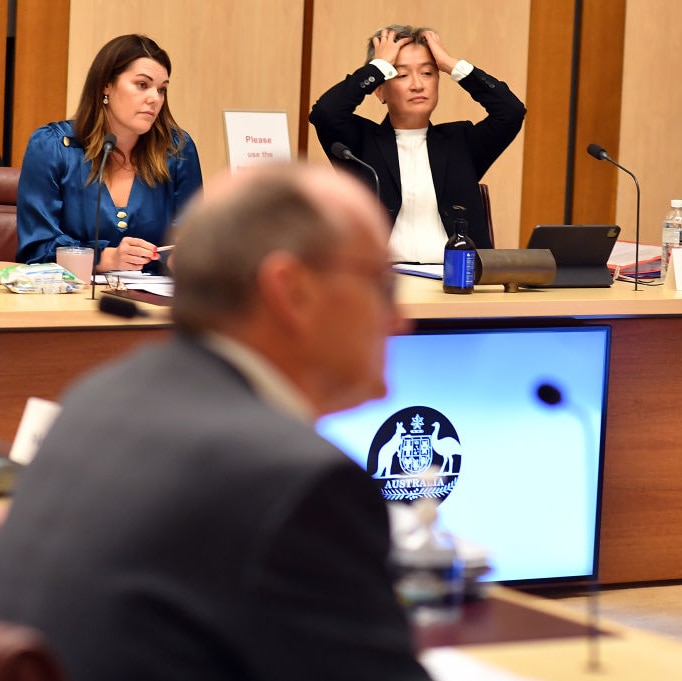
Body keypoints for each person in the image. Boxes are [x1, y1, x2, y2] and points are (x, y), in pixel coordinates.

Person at [0, 162, 433, 681]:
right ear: (291, 291)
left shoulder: (101, 397)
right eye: (380, 285)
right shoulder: (299, 483)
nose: (400, 320)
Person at [310, 24, 526, 263]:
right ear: (380, 90)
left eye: (427, 73)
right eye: (401, 75)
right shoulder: (360, 144)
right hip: (384, 286)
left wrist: (451, 65)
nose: (417, 85)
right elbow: (325, 113)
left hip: (455, 284)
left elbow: (511, 112)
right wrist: (378, 67)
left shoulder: (461, 143)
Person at [16, 34, 202, 271]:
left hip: (151, 302)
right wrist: (106, 259)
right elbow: (37, 249)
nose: (154, 99)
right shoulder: (53, 146)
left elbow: (192, 241)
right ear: (107, 84)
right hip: (68, 301)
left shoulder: (177, 150)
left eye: (162, 90)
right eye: (142, 85)